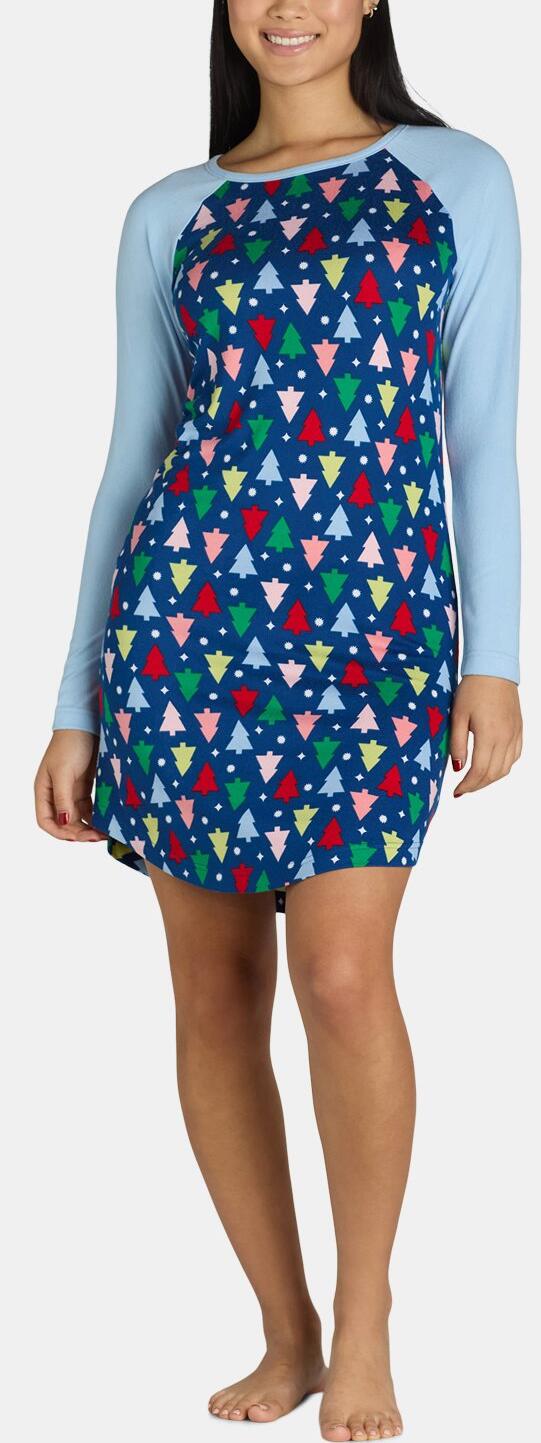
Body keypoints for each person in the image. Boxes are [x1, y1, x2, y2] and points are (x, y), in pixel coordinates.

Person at [34, 2, 524, 1438]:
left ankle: (367, 1320)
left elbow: (482, 429)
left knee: (343, 978)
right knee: (213, 995)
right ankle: (286, 1329)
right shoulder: (169, 212)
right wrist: (74, 703)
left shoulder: (458, 177)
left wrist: (493, 659)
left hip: (375, 640)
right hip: (183, 640)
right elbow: (133, 455)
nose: (287, 5)